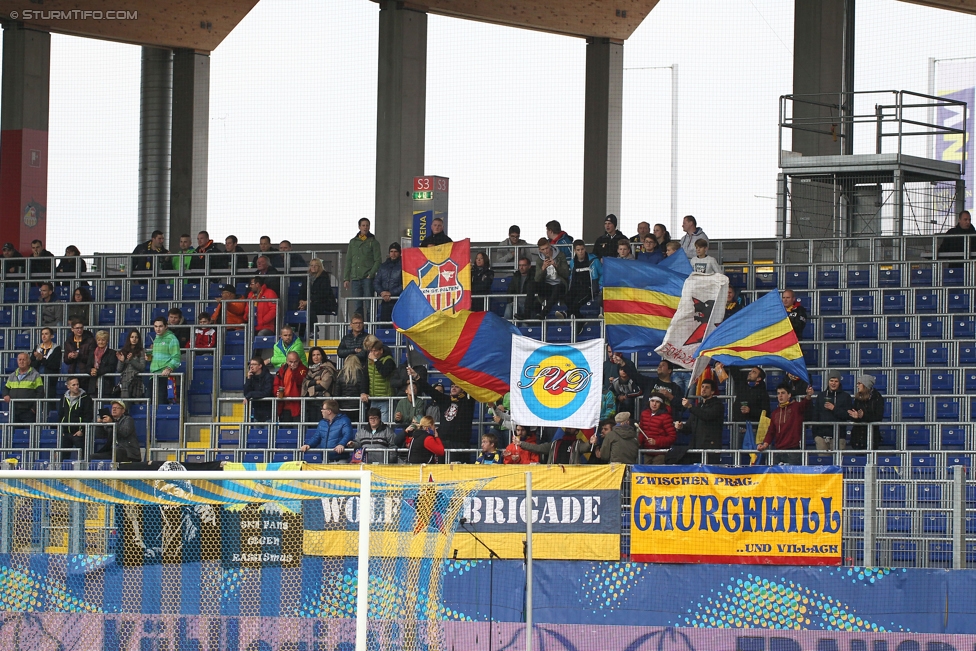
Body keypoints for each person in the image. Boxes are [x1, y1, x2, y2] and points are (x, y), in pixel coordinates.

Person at [408, 367, 476, 452]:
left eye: (457, 387)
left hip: (460, 444)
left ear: (463, 389)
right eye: (452, 386)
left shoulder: (467, 402)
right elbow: (430, 390)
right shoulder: (445, 400)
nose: (453, 388)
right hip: (443, 442)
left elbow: (473, 389)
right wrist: (416, 377)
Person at [715, 362, 767, 449]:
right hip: (738, 429)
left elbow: (766, 411)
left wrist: (751, 411)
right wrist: (719, 362)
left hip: (753, 431)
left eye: (754, 372)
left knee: (753, 458)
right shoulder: (742, 384)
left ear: (759, 378)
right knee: (737, 458)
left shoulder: (762, 392)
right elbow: (733, 368)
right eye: (751, 371)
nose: (750, 372)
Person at [757, 384, 811, 465]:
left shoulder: (796, 407)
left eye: (783, 393)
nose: (780, 396)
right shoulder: (775, 412)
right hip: (777, 451)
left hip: (793, 451)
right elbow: (771, 431)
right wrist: (764, 444)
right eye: (778, 393)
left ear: (789, 395)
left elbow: (805, 403)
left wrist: (809, 395)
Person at [344, 218, 382, 318]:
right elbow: (348, 260)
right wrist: (346, 278)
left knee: (369, 305)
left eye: (367, 225)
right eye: (363, 225)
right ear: (359, 227)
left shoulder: (373, 242)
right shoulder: (353, 242)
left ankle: (370, 328)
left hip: (367, 278)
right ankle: (359, 328)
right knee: (357, 306)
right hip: (355, 278)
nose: (365, 227)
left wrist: (371, 274)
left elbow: (378, 260)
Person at [678, 379, 724, 461]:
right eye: (702, 387)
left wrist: (690, 406)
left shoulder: (718, 405)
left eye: (707, 387)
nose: (703, 389)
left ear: (712, 392)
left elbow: (707, 416)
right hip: (695, 448)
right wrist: (681, 427)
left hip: (710, 449)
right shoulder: (698, 406)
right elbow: (689, 427)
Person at [809, 370, 853, 450]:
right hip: (821, 437)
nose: (833, 383)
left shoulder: (846, 397)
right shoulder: (821, 396)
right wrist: (816, 436)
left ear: (839, 382)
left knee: (837, 462)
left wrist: (834, 408)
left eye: (836, 381)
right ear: (828, 381)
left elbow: (847, 415)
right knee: (823, 462)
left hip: (839, 437)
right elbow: (815, 415)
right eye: (831, 381)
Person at [531, 238, 569, 319]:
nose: (546, 251)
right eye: (543, 249)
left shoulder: (560, 255)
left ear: (550, 245)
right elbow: (537, 279)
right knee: (532, 285)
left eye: (547, 248)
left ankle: (544, 312)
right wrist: (543, 268)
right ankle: (525, 312)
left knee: (557, 288)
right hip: (547, 285)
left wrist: (556, 266)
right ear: (540, 250)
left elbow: (566, 274)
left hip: (560, 285)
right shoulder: (539, 260)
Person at [57, 376, 95, 459]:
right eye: (73, 385)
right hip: (66, 433)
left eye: (77, 384)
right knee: (63, 457)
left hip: (79, 434)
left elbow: (88, 416)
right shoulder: (63, 398)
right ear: (68, 386)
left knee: (83, 457)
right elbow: (60, 415)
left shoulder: (86, 398)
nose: (76, 387)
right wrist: (62, 430)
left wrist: (81, 430)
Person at [148, 316, 181, 405]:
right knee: (151, 402)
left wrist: (169, 368)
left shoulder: (172, 338)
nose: (158, 329)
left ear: (166, 326)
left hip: (164, 375)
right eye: (155, 326)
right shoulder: (156, 339)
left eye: (160, 326)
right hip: (153, 375)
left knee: (161, 402)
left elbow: (176, 357)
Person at [3, 352, 45, 423]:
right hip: (14, 410)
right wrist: (5, 395)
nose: (21, 362)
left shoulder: (35, 375)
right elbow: (6, 388)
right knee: (14, 433)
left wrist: (34, 409)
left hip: (28, 412)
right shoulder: (12, 375)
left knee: (29, 433)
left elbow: (40, 392)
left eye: (24, 360)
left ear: (29, 362)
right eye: (19, 360)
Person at [362, 338, 396, 422]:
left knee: (385, 424)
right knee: (373, 423)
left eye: (375, 351)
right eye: (371, 351)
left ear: (381, 350)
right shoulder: (369, 362)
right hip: (373, 398)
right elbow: (365, 377)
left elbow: (384, 373)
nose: (373, 353)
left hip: (386, 398)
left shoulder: (388, 360)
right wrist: (363, 392)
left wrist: (376, 361)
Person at [517, 427, 593, 465]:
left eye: (571, 427)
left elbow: (585, 447)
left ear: (576, 432)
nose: (568, 427)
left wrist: (590, 442)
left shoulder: (577, 444)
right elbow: (537, 448)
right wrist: (521, 443)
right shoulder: (555, 443)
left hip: (571, 477)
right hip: (554, 477)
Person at [848, 374, 884, 450]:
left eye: (859, 383)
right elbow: (854, 414)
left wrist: (863, 416)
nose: (857, 385)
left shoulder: (877, 398)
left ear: (865, 384)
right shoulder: (857, 398)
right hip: (857, 436)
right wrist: (855, 417)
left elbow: (878, 417)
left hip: (872, 436)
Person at [637, 395, 677, 463]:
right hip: (647, 451)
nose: (654, 404)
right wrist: (638, 442)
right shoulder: (644, 414)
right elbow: (642, 432)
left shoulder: (666, 417)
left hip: (660, 453)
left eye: (657, 402)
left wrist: (656, 442)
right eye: (652, 401)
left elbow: (672, 437)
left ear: (661, 404)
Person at [301, 258, 339, 325]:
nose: (313, 267)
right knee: (296, 307)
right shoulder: (306, 277)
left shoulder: (324, 277)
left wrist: (308, 301)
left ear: (320, 266)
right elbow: (302, 291)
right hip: (310, 302)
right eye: (311, 265)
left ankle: (313, 330)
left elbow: (322, 294)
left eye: (316, 265)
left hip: (324, 303)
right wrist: (301, 302)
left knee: (310, 307)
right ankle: (296, 331)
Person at [273, 351, 308, 423]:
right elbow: (276, 384)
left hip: (297, 406)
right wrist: (277, 392)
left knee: (297, 430)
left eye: (295, 362)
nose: (293, 364)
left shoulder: (303, 369)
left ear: (299, 360)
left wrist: (294, 371)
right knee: (285, 431)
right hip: (284, 405)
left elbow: (300, 382)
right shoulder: (282, 370)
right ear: (286, 361)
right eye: (290, 362)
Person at [373, 243, 403, 322]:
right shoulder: (383, 266)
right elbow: (376, 282)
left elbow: (405, 284)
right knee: (384, 326)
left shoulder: (404, 266)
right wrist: (382, 292)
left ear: (400, 253)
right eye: (391, 251)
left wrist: (391, 293)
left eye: (395, 251)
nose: (393, 254)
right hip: (385, 301)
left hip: (398, 301)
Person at [334, 355, 368, 423]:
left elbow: (337, 393)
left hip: (343, 408)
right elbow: (363, 389)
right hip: (358, 407)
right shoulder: (361, 373)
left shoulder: (340, 374)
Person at [31, 327, 62, 398]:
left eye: (46, 334)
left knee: (49, 399)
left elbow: (55, 365)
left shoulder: (56, 348)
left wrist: (42, 358)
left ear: (51, 336)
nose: (44, 336)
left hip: (50, 380)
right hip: (37, 378)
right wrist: (39, 360)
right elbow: (32, 364)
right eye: (42, 334)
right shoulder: (37, 347)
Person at [116, 330, 147, 399]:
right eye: (132, 337)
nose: (134, 339)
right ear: (129, 339)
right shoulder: (123, 351)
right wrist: (122, 361)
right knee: (125, 403)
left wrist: (131, 360)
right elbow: (119, 369)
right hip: (125, 381)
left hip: (136, 381)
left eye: (136, 337)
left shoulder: (142, 351)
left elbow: (142, 367)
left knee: (135, 403)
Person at [243, 356, 274, 421]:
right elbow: (246, 393)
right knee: (256, 430)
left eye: (254, 364)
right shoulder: (251, 377)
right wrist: (248, 379)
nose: (251, 366)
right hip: (257, 413)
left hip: (268, 412)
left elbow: (266, 392)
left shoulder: (268, 377)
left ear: (260, 366)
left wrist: (251, 394)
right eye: (250, 364)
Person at [89, 330, 118, 398]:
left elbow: (111, 367)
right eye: (99, 340)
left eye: (103, 340)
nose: (101, 342)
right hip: (93, 386)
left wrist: (97, 372)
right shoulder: (92, 352)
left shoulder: (112, 353)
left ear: (107, 341)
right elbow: (88, 366)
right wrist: (91, 370)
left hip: (106, 386)